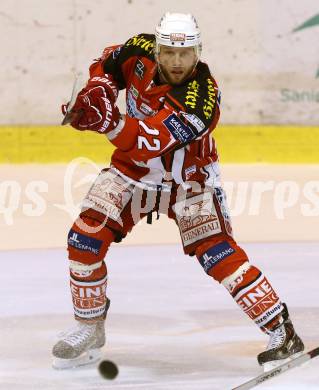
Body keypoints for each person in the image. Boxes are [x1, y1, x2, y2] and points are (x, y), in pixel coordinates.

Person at [52, 12, 304, 370]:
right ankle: (89, 326)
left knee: (216, 253)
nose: (175, 61)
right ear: (157, 48)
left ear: (198, 52)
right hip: (133, 174)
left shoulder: (202, 97)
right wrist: (100, 92)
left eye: (184, 54)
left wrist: (106, 120)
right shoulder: (138, 49)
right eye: (168, 52)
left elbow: (148, 141)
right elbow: (105, 64)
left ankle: (282, 329)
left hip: (190, 183)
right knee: (84, 238)